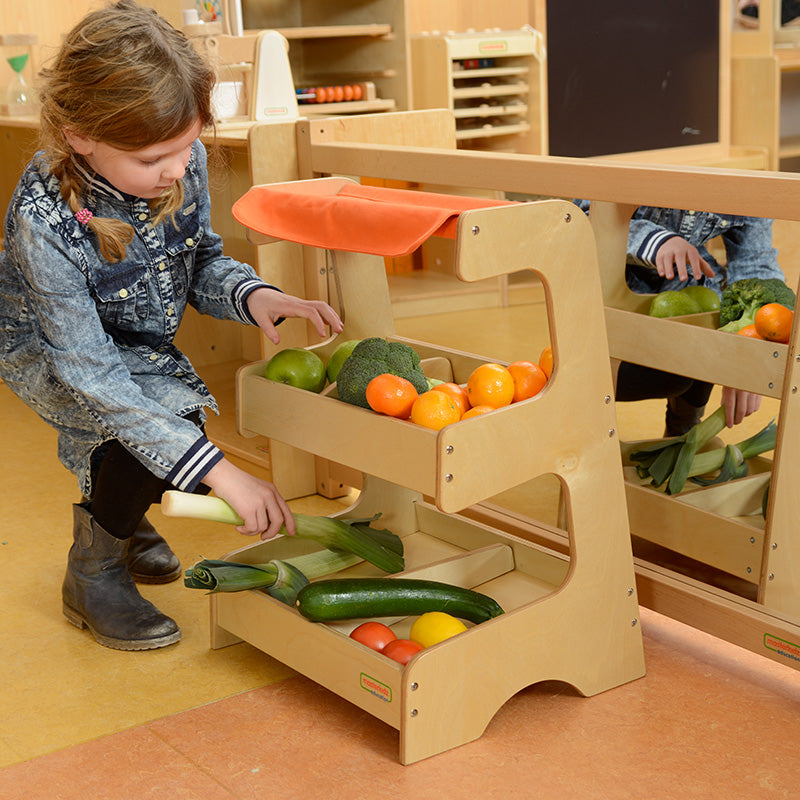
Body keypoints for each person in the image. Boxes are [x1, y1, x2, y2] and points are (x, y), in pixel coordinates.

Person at [0, 1, 343, 651]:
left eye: (187, 149)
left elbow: (202, 260)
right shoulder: (45, 218)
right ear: (80, 135)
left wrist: (255, 295)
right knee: (162, 428)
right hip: (49, 348)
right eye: (155, 157)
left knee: (165, 433)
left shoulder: (174, 165)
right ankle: (93, 568)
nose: (178, 170)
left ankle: (122, 522)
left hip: (128, 343)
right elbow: (94, 376)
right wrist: (225, 473)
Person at [574, 201, 785, 435]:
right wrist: (655, 240)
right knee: (596, 379)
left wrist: (749, 350)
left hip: (679, 295)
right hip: (605, 304)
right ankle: (582, 422)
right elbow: (580, 219)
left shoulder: (745, 190)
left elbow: (756, 266)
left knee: (711, 315)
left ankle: (683, 426)